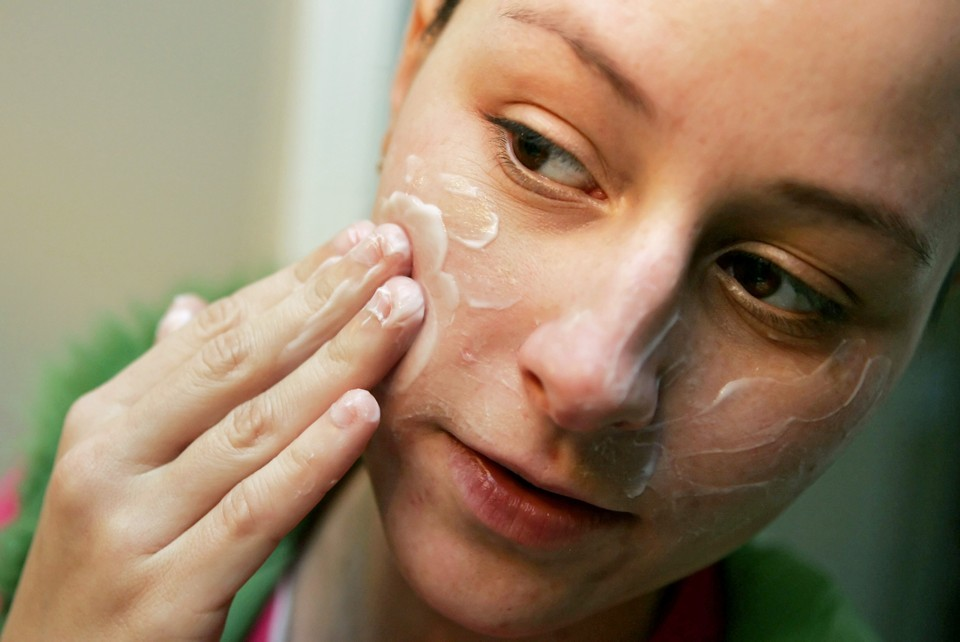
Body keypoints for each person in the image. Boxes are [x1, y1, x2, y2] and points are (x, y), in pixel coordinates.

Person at [2, 0, 959, 639]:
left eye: (778, 283)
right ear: (412, 60)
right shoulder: (60, 539)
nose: (591, 375)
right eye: (542, 151)